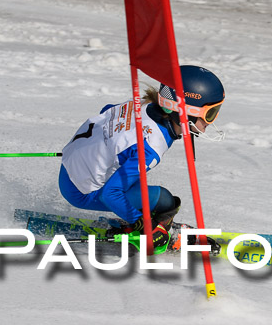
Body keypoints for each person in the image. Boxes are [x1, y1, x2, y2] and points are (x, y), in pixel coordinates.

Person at [58, 65, 225, 250]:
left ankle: (137, 221)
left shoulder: (143, 106)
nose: (211, 122)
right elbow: (110, 194)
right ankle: (143, 231)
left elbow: (107, 110)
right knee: (164, 200)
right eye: (210, 114)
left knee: (138, 185)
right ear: (184, 112)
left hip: (70, 165)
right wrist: (145, 225)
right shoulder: (152, 145)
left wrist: (101, 151)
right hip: (82, 192)